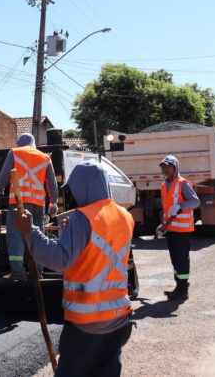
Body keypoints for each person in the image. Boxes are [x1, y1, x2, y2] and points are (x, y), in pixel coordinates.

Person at [14, 161, 134, 377]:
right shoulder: (125, 216)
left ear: (84, 186)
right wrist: (74, 233)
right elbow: (99, 252)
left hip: (88, 323)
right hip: (118, 319)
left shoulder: (83, 218)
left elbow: (59, 260)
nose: (75, 195)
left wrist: (30, 231)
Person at [0, 133, 58, 280]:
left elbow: (4, 174)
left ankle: (18, 272)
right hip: (38, 204)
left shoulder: (15, 152)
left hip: (18, 202)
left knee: (16, 236)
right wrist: (53, 202)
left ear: (20, 143)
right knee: (37, 236)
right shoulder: (45, 157)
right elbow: (52, 183)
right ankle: (38, 272)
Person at [158, 155, 200, 301]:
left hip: (183, 231)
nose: (165, 169)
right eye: (163, 166)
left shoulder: (183, 184)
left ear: (175, 167)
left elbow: (195, 202)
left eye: (168, 166)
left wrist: (180, 206)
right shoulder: (164, 185)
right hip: (171, 230)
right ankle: (179, 287)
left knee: (181, 260)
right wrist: (163, 225)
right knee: (175, 260)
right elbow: (167, 209)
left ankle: (183, 290)